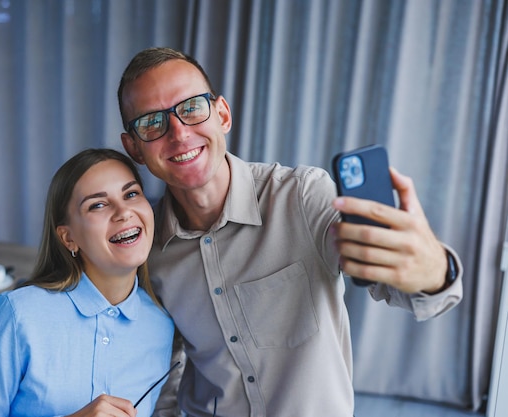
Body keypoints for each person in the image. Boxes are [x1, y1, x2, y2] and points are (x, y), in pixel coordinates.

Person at [117, 47, 463, 416]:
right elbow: (164, 369)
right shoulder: (146, 247)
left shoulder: (303, 195)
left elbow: (398, 286)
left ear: (222, 115)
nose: (179, 132)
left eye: (190, 108)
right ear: (134, 148)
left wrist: (435, 272)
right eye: (152, 122)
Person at [0, 148, 176, 417]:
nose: (124, 212)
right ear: (68, 238)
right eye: (98, 205)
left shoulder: (161, 325)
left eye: (131, 194)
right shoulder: (19, 314)